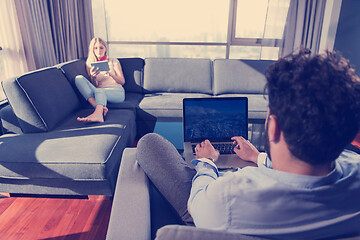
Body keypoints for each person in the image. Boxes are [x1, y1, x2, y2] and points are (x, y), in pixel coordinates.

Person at [136, 49, 360, 239]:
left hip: (205, 210)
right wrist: (257, 158)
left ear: (273, 128)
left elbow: (197, 207)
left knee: (149, 143)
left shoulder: (228, 197)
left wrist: (206, 162)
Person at [75, 37, 125, 123]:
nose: (99, 50)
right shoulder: (90, 64)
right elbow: (96, 86)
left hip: (117, 91)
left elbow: (122, 81)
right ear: (93, 50)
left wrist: (111, 74)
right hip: (100, 91)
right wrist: (93, 77)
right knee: (78, 79)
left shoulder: (113, 61)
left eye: (101, 47)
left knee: (99, 91)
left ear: (105, 49)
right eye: (96, 48)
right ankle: (100, 108)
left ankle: (97, 114)